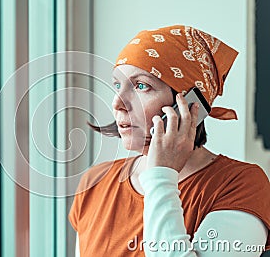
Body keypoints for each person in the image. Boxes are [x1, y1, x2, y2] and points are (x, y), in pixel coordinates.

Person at [69, 25, 270, 256]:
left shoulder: (242, 185)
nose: (117, 103)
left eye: (141, 86)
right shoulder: (94, 182)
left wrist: (161, 175)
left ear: (191, 105)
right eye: (117, 85)